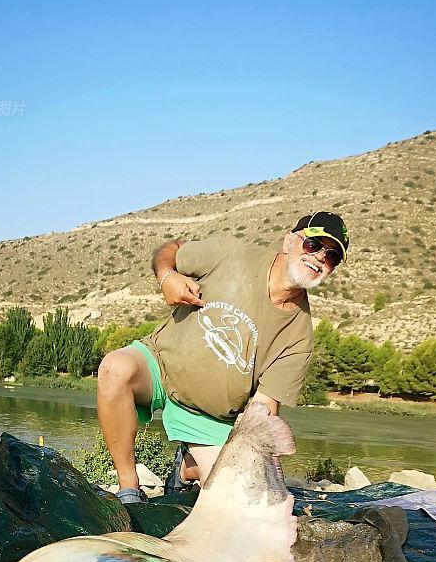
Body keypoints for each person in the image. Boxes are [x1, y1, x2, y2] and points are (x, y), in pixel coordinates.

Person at [96, 212, 349, 502]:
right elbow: (171, 250)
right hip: (159, 367)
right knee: (114, 368)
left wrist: (269, 483)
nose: (320, 258)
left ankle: (186, 468)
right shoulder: (233, 254)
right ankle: (128, 486)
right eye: (314, 244)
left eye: (332, 257)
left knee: (236, 495)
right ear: (289, 241)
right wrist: (167, 276)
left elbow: (264, 412)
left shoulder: (299, 337)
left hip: (211, 418)